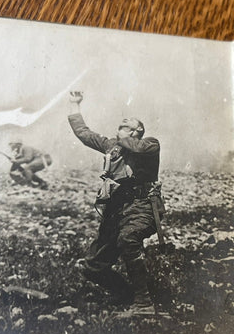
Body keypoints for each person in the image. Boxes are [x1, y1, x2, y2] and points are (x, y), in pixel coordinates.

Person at [68, 90, 164, 313]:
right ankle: (125, 294)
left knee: (129, 238)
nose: (121, 122)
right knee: (93, 267)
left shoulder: (150, 144)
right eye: (121, 123)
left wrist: (121, 139)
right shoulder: (113, 146)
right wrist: (74, 105)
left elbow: (137, 147)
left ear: (137, 130)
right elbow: (84, 133)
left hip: (143, 207)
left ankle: (144, 302)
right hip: (117, 209)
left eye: (127, 123)